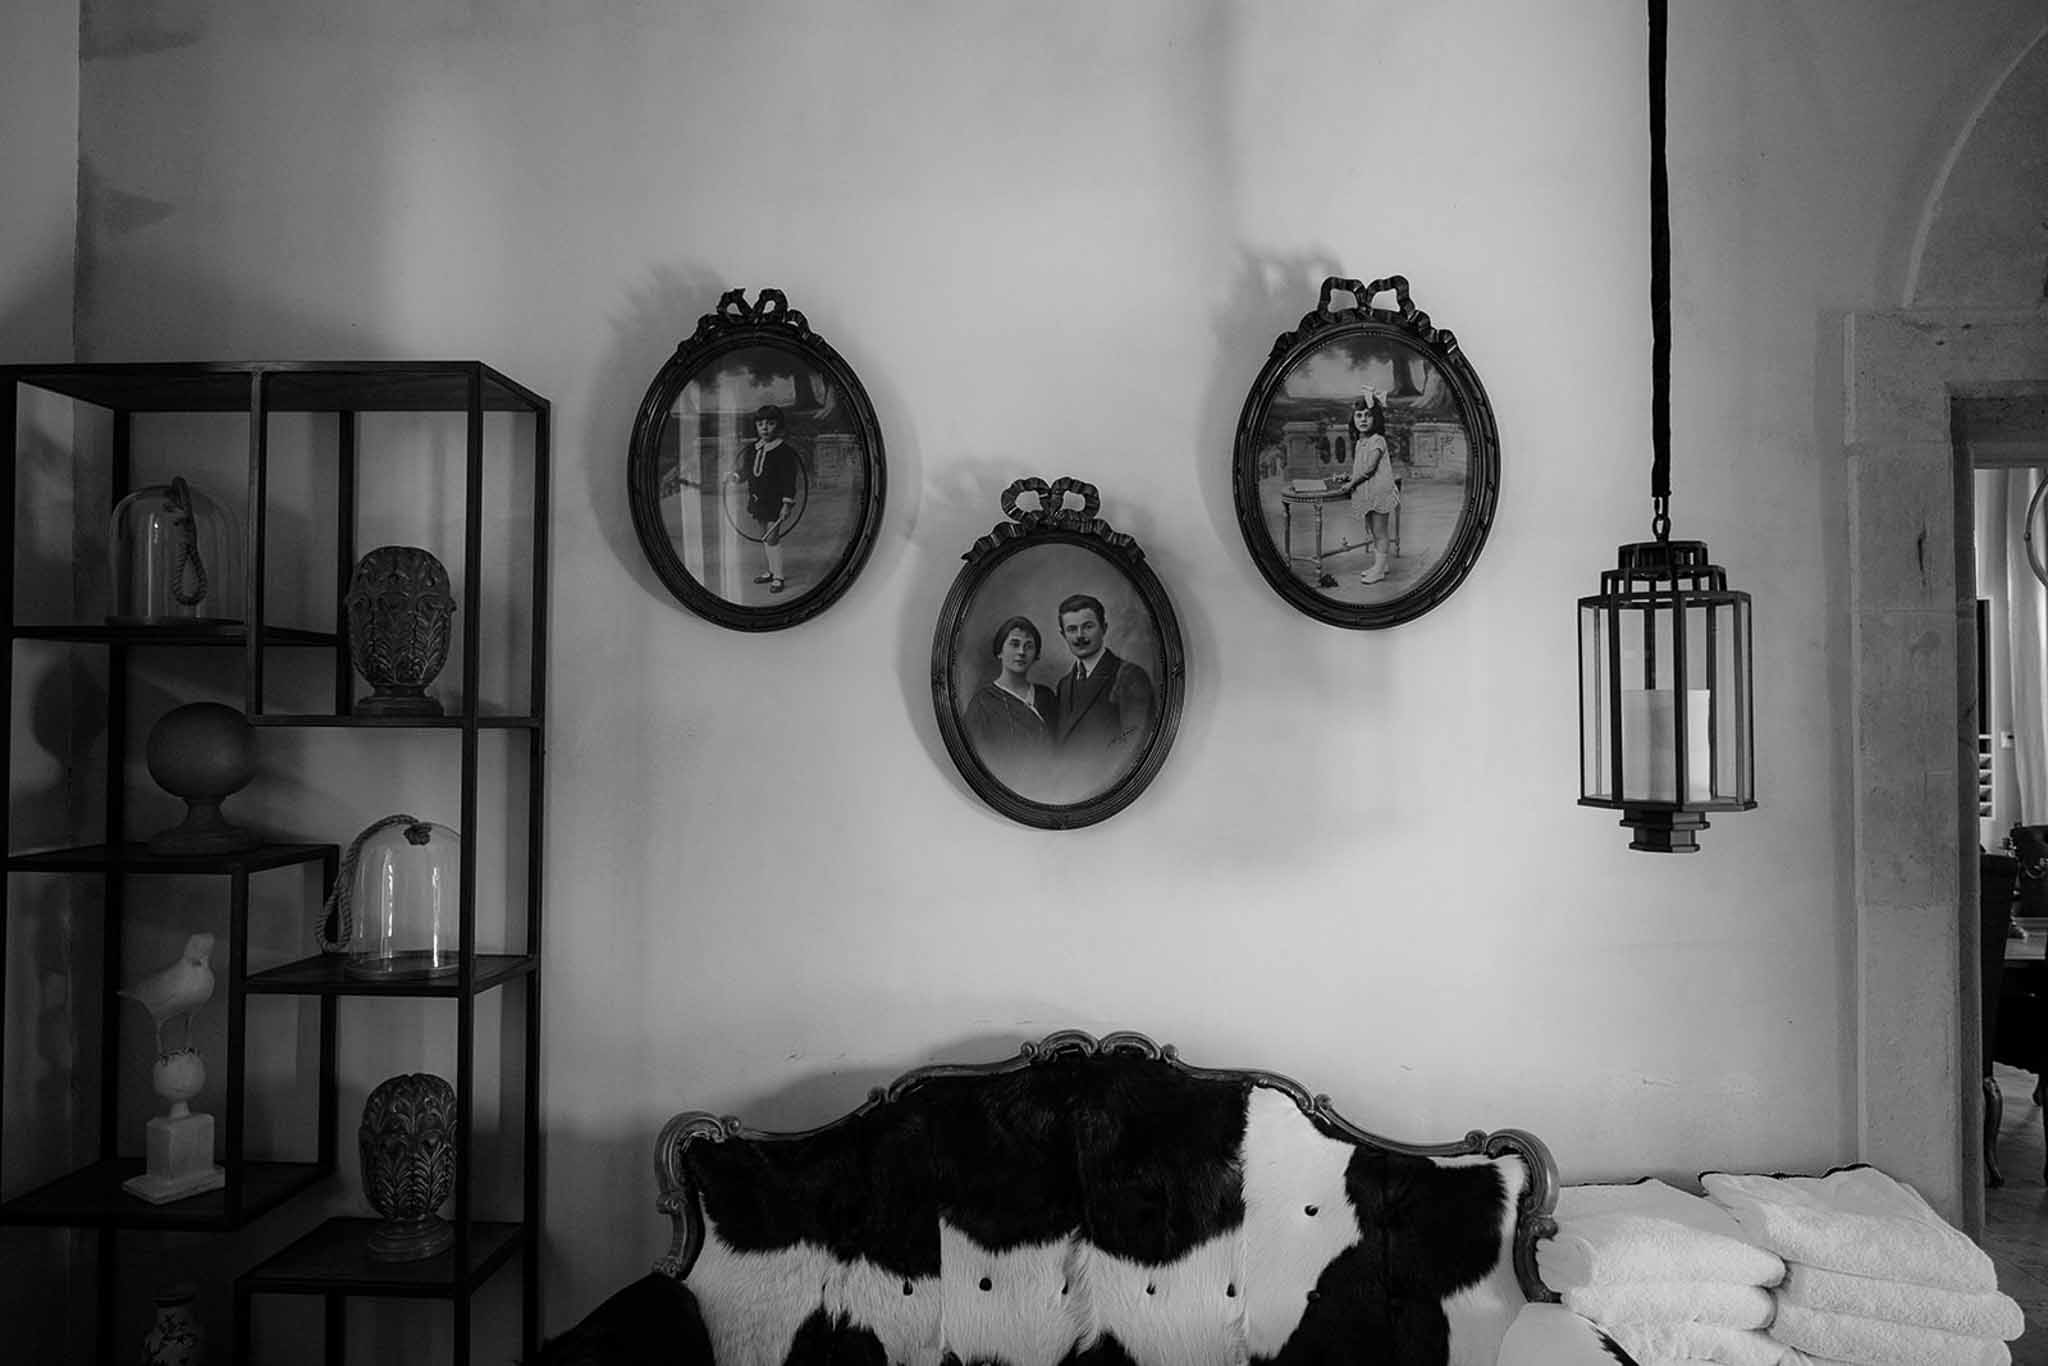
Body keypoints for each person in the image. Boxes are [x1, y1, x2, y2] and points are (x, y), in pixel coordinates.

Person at [1051, 593, 1155, 797]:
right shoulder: (1063, 685)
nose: (1080, 636)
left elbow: (1135, 743)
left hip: (1107, 791)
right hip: (1065, 791)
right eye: (1072, 629)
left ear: (1104, 628)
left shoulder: (1129, 676)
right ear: (1063, 635)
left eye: (1088, 626)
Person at [961, 615, 1059, 795]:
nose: (1021, 652)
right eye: (1014, 644)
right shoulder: (982, 703)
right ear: (999, 651)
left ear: (1036, 655)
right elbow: (977, 762)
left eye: (1029, 646)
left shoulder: (1047, 697)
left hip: (1052, 790)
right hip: (1006, 791)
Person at [725, 404, 803, 594]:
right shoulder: (753, 449)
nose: (765, 428)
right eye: (761, 424)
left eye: (770, 423)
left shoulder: (783, 451)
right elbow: (747, 471)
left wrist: (786, 505)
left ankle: (778, 577)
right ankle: (770, 570)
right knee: (765, 537)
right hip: (758, 500)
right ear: (756, 426)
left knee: (772, 538)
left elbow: (788, 480)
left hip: (775, 502)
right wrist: (735, 477)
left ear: (779, 425)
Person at [1337, 389, 1399, 585]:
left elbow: (1371, 468)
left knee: (1380, 532)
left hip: (1379, 491)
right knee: (1373, 530)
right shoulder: (1361, 441)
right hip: (1368, 490)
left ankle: (1379, 570)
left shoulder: (1377, 440)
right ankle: (1382, 564)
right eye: (1359, 415)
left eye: (1368, 415)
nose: (1363, 419)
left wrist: (1352, 484)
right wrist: (1348, 476)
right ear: (1353, 419)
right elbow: (1362, 467)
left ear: (1376, 419)